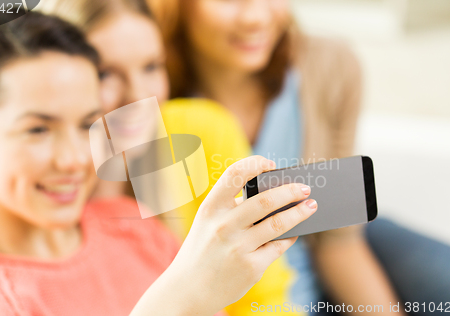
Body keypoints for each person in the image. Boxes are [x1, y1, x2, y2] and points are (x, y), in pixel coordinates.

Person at [0, 11, 319, 315]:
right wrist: (183, 298)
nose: (73, 160)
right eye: (37, 129)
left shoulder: (136, 229)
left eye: (87, 123)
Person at [147, 0, 450, 315]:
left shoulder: (330, 67)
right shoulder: (155, 103)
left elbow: (338, 241)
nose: (255, 16)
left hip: (326, 251)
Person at [39, 0, 297, 313]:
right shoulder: (39, 191)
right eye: (106, 73)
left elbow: (266, 299)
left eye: (151, 67)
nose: (138, 95)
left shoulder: (203, 131)